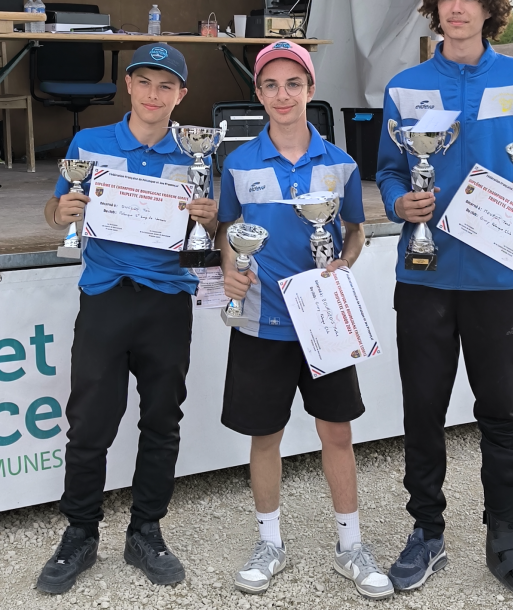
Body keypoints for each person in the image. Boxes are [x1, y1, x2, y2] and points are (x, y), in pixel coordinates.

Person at [376, 0, 513, 597]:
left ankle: (507, 533)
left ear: (488, 8)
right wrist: (401, 201)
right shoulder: (404, 87)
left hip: (496, 280)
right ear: (435, 7)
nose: (457, 8)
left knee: (502, 412)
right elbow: (390, 169)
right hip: (425, 276)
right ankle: (426, 533)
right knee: (423, 412)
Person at [215, 41, 393, 600]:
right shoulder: (238, 163)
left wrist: (345, 261)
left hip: (325, 324)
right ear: (259, 94)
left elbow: (357, 230)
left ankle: (351, 545)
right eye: (271, 85)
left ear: (310, 91)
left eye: (294, 83)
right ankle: (270, 543)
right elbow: (225, 230)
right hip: (262, 322)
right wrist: (231, 269)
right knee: (265, 437)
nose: (283, 94)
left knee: (336, 434)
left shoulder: (340, 163)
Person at [37, 44, 217, 594]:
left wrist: (210, 219)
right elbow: (53, 214)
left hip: (167, 299)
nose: (154, 95)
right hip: (106, 296)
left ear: (181, 96)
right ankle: (80, 533)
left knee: (162, 420)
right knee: (90, 421)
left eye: (167, 87)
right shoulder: (89, 144)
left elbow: (206, 245)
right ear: (129, 87)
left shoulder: (196, 156)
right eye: (145, 82)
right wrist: (62, 211)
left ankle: (145, 531)